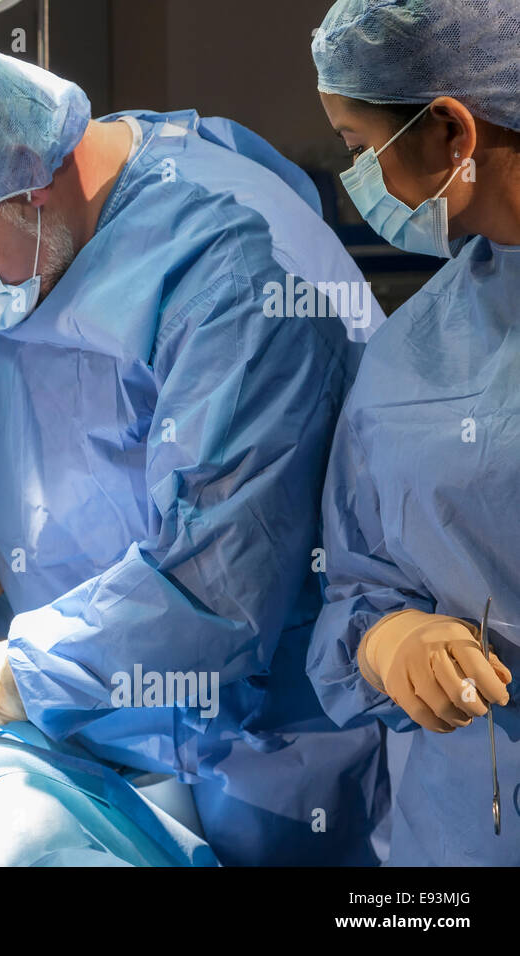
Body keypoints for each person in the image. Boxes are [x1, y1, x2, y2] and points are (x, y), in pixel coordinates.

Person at [0, 29, 389, 866]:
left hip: (279, 753)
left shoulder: (229, 268)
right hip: (107, 723)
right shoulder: (26, 241)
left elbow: (218, 590)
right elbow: (21, 425)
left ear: (32, 181)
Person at [307, 0, 518, 866]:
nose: (354, 177)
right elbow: (358, 578)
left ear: (448, 131)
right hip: (460, 838)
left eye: (359, 148)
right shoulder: (413, 350)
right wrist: (390, 639)